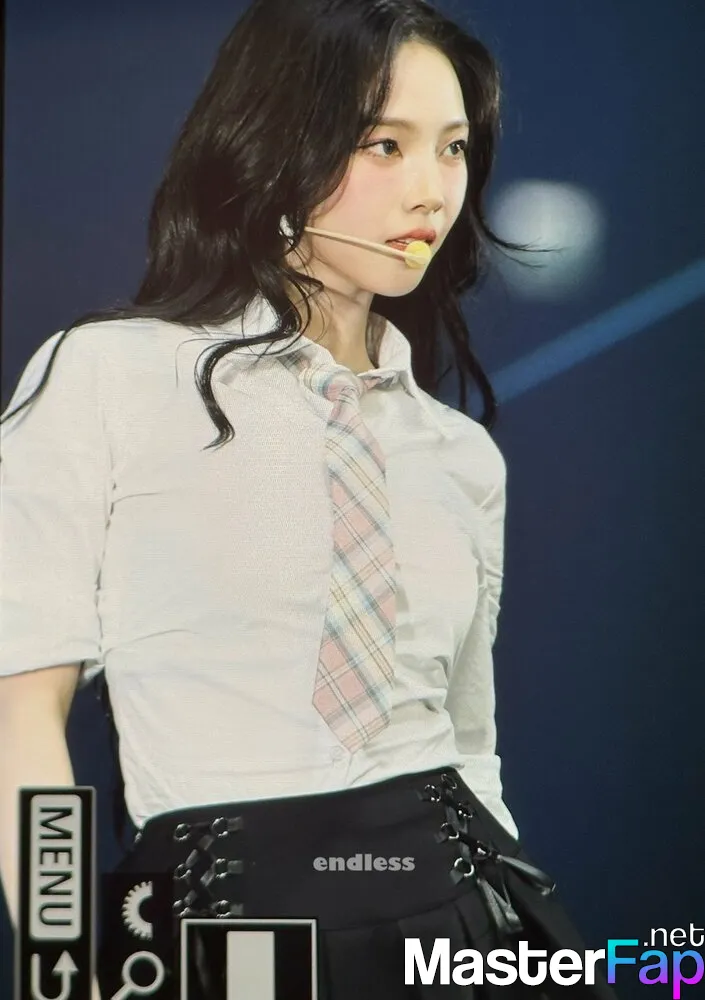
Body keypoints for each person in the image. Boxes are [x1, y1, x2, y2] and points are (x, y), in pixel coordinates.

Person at [0, 1, 620, 997]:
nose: (430, 189)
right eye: (384, 144)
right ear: (276, 146)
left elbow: (470, 746)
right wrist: (66, 965)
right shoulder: (107, 377)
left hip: (473, 921)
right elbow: (21, 715)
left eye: (453, 148)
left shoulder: (458, 454)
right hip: (233, 937)